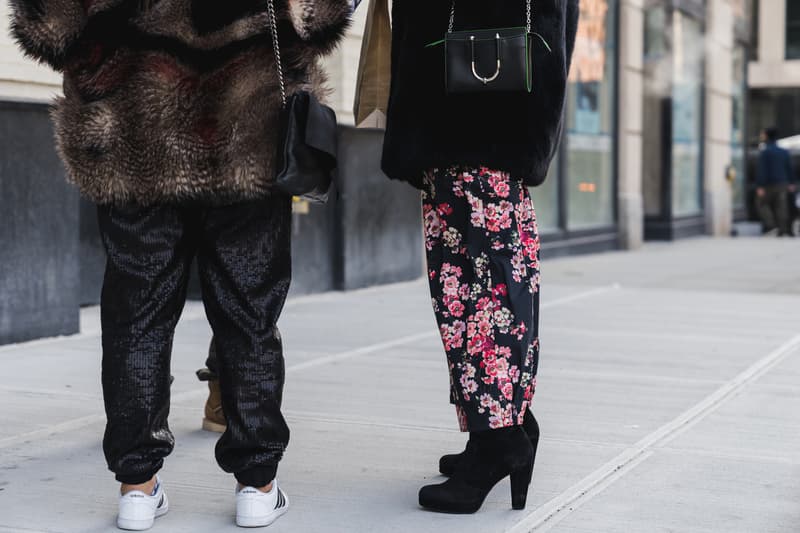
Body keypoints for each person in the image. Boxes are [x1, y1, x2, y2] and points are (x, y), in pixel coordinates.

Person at [9, 0, 349, 529]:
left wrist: (107, 65)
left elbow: (45, 28)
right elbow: (321, 20)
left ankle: (137, 488)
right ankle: (257, 485)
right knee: (248, 316)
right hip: (248, 132)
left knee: (135, 318)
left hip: (133, 132)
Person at [381, 0, 578, 514]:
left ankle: (498, 441)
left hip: (473, 113)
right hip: (477, 109)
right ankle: (501, 424)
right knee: (477, 286)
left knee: (479, 291)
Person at [756, 127, 797, 236]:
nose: (761, 136)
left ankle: (771, 225)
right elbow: (789, 168)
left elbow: (762, 169)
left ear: (767, 136)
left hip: (769, 184)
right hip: (783, 184)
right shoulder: (783, 152)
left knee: (761, 204)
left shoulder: (765, 152)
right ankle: (782, 229)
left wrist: (760, 185)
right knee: (781, 207)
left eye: (763, 134)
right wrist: (791, 183)